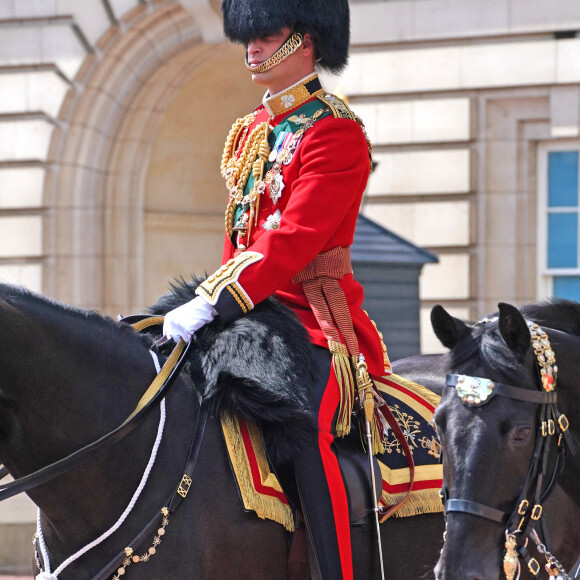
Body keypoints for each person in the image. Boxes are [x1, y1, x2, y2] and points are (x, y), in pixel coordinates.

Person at [163, 1, 392, 578]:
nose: (252, 47)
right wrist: (210, 307)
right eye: (248, 35)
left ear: (307, 40)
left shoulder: (334, 131)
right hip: (248, 310)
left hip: (315, 318)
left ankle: (334, 568)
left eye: (267, 34)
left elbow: (291, 239)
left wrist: (216, 299)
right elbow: (240, 239)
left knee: (303, 424)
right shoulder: (251, 132)